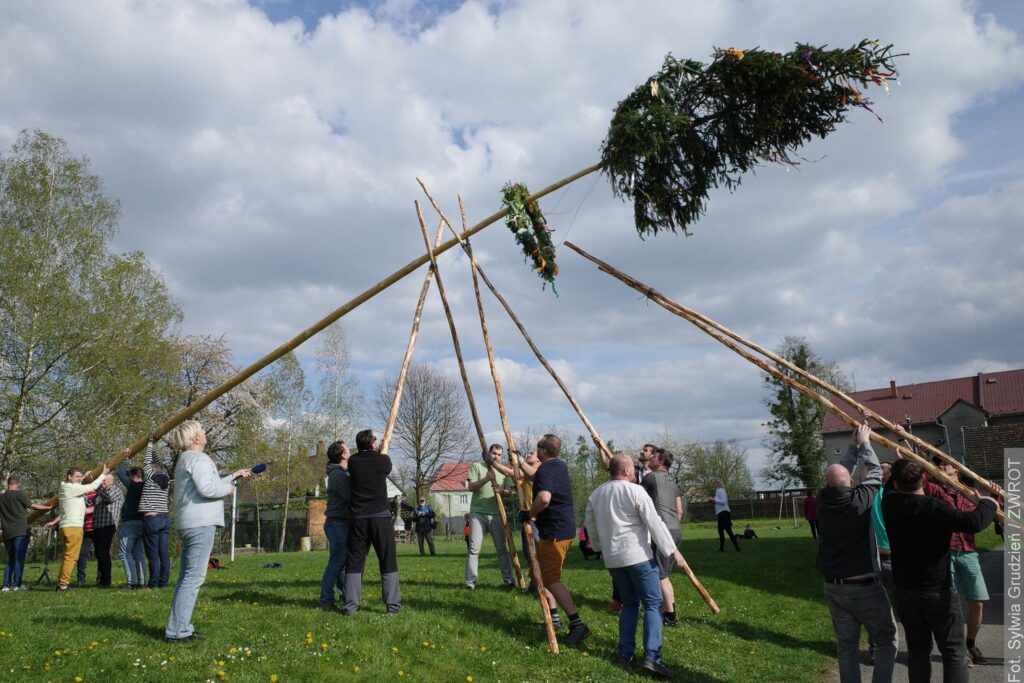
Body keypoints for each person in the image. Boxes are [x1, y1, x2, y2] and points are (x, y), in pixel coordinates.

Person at [883, 458, 997, 683]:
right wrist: (989, 503)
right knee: (954, 651)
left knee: (917, 650)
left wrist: (902, 458)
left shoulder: (889, 504)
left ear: (895, 482)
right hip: (938, 591)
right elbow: (973, 522)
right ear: (924, 479)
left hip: (905, 591)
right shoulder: (935, 508)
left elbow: (890, 485)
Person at [586, 453, 683, 677]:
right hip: (638, 556)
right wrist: (672, 550)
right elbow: (654, 522)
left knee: (629, 604)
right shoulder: (635, 490)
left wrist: (600, 548)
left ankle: (625, 654)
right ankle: (653, 656)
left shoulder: (597, 493)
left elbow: (590, 526)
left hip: (613, 559)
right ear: (628, 471)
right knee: (653, 603)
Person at [816, 423, 897, 683]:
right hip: (863, 585)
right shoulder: (858, 500)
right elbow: (875, 473)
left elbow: (842, 474)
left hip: (833, 586)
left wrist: (852, 447)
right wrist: (865, 443)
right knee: (886, 640)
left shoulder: (824, 500)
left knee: (846, 647)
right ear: (851, 482)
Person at [165, 420, 251, 642]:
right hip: (200, 523)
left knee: (187, 577)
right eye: (202, 430)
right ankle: (178, 631)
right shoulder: (199, 458)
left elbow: (205, 484)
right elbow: (208, 489)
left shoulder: (186, 459)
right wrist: (229, 490)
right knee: (193, 577)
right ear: (195, 437)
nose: (205, 432)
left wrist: (232, 476)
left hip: (189, 522)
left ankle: (178, 627)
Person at [521, 434, 590, 647]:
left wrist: (530, 513)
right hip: (560, 529)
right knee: (539, 574)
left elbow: (544, 498)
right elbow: (535, 476)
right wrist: (517, 460)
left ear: (543, 451)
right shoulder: (558, 467)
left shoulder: (547, 470)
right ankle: (554, 619)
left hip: (555, 533)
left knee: (550, 578)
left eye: (537, 446)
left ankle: (578, 624)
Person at [936, 460, 990, 667]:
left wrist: (994, 496)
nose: (940, 468)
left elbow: (994, 509)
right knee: (951, 602)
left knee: (977, 600)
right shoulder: (937, 491)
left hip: (968, 551)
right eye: (939, 466)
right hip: (945, 552)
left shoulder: (971, 492)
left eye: (944, 465)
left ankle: (970, 644)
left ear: (956, 469)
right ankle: (958, 648)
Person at [342, 430, 401, 615]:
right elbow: (385, 465)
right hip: (380, 517)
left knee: (354, 562)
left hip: (358, 518)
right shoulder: (382, 460)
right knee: (387, 560)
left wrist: (379, 447)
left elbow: (369, 459)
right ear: (373, 444)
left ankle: (350, 607)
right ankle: (392, 607)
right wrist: (385, 447)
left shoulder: (353, 462)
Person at [463, 443, 516, 590]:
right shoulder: (477, 466)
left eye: (499, 455)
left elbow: (511, 492)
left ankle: (508, 580)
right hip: (477, 513)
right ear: (488, 453)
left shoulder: (504, 471)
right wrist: (486, 478)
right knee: (474, 549)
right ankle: (470, 582)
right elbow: (470, 487)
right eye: (494, 453)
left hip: (496, 514)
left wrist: (502, 491)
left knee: (501, 549)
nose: (496, 457)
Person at [640, 448, 683, 627]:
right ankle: (667, 610)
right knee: (664, 573)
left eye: (653, 456)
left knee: (661, 575)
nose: (650, 458)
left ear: (659, 462)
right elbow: (679, 510)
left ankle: (670, 616)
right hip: (676, 529)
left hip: (662, 530)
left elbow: (638, 498)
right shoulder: (673, 482)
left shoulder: (650, 478)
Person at [52, 464, 109, 592]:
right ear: (69, 476)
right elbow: (93, 486)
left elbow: (78, 484)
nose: (79, 479)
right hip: (73, 527)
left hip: (65, 526)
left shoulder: (65, 487)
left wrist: (83, 477)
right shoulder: (73, 488)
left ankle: (61, 583)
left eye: (80, 476)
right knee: (71, 557)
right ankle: (63, 585)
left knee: (67, 556)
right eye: (76, 476)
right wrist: (103, 474)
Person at [0, 475, 52, 591]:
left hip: (7, 532)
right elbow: (32, 506)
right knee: (19, 559)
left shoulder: (2, 497)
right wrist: (48, 507)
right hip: (20, 531)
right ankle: (17, 584)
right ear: (18, 484)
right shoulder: (19, 494)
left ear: (8, 484)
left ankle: (6, 585)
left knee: (11, 559)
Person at [319, 440, 351, 611]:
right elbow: (349, 496)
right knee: (337, 562)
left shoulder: (340, 473)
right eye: (347, 448)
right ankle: (326, 600)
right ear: (343, 455)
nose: (350, 450)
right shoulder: (338, 475)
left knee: (341, 563)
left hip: (338, 523)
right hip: (337, 524)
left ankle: (346, 597)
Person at [140, 438, 171, 588]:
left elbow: (146, 463)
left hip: (152, 519)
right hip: (164, 518)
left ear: (152, 470)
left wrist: (149, 445)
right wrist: (153, 450)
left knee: (152, 554)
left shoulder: (150, 478)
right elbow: (158, 464)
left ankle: (153, 584)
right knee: (163, 553)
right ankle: (163, 583)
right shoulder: (166, 478)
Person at [116, 458, 148, 590]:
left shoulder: (133, 485)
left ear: (134, 476)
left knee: (125, 552)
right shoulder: (147, 487)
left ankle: (131, 582)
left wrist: (125, 459)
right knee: (139, 553)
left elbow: (120, 472)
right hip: (143, 522)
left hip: (130, 523)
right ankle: (142, 582)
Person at [92, 474, 124, 588]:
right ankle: (100, 578)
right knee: (98, 553)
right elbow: (90, 502)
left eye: (104, 481)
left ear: (111, 481)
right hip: (97, 526)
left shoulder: (116, 490)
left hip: (108, 525)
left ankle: (106, 580)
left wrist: (95, 486)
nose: (102, 483)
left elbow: (108, 498)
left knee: (104, 552)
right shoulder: (101, 492)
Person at [76, 488, 97, 585]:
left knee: (101, 554)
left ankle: (101, 578)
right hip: (85, 529)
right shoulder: (80, 493)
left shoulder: (97, 492)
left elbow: (98, 507)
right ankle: (81, 578)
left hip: (97, 527)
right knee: (82, 553)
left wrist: (82, 510)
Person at [713, 480, 740, 552]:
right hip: (721, 513)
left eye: (714, 482)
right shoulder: (717, 491)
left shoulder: (721, 490)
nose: (713, 484)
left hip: (724, 513)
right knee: (721, 531)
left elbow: (723, 502)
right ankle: (723, 548)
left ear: (718, 484)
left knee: (728, 531)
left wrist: (713, 499)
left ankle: (736, 548)